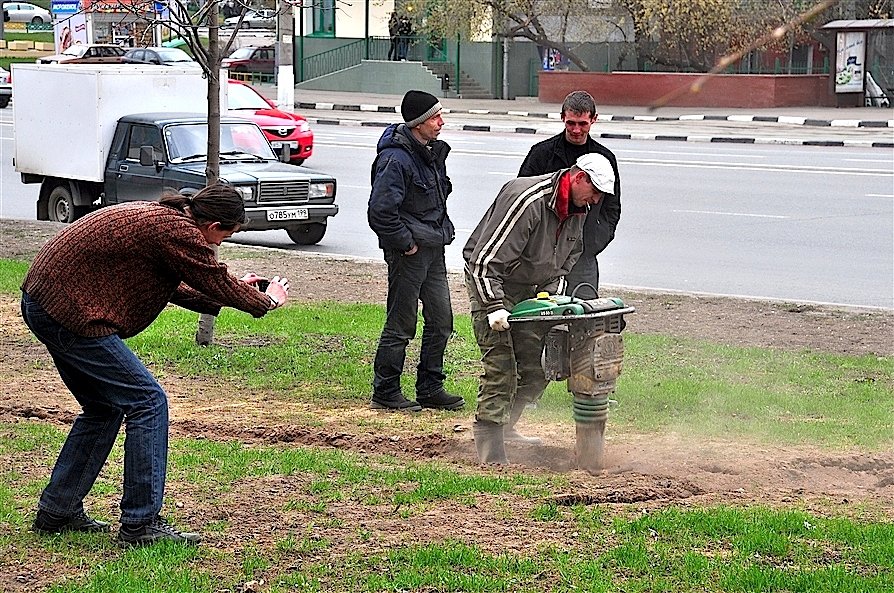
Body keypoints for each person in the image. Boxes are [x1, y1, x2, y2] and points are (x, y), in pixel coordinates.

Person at [22, 184, 290, 546]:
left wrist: (230, 290)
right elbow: (214, 278)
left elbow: (178, 287)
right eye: (225, 235)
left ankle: (58, 510)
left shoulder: (166, 221)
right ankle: (140, 524)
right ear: (211, 224)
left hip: (48, 302)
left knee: (104, 407)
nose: (221, 244)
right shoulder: (176, 230)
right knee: (148, 402)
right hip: (71, 312)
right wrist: (267, 300)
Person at [464, 154, 616, 464]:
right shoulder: (528, 201)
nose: (597, 200)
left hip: (531, 288)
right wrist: (494, 307)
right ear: (578, 178)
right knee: (502, 368)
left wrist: (550, 292)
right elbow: (482, 262)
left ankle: (506, 427)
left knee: (539, 366)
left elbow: (570, 254)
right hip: (495, 282)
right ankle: (490, 451)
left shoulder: (580, 209)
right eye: (595, 190)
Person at [367, 90, 464, 413]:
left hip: (433, 249)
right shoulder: (396, 159)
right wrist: (405, 244)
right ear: (418, 123)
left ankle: (430, 387)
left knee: (442, 319)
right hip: (409, 254)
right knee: (401, 322)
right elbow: (381, 212)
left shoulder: (428, 152)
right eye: (436, 117)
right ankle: (386, 390)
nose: (441, 122)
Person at [518, 91, 621, 299]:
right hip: (542, 249)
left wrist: (597, 240)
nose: (576, 130)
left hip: (584, 250)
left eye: (583, 124)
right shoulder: (541, 154)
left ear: (594, 119)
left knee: (583, 309)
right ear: (562, 117)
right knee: (540, 311)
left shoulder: (605, 159)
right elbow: (522, 196)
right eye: (571, 123)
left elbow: (613, 206)